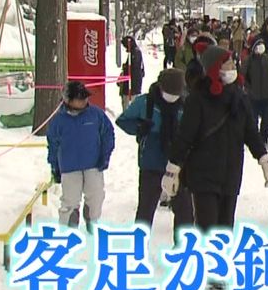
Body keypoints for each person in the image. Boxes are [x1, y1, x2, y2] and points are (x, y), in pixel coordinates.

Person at [164, 46, 268, 273]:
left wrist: (264, 157)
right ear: (215, 69)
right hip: (203, 172)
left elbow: (250, 133)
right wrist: (172, 168)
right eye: (227, 65)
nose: (233, 68)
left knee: (225, 225)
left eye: (233, 64)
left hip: (231, 172)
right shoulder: (198, 99)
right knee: (207, 225)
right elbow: (184, 136)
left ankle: (218, 269)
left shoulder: (239, 96)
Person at [116, 69, 193, 242]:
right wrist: (140, 127)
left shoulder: (186, 104)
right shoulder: (145, 103)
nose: (172, 97)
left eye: (176, 93)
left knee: (185, 210)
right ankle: (138, 246)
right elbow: (123, 121)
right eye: (169, 93)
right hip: (151, 162)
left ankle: (184, 247)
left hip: (179, 164)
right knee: (146, 209)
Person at [47, 81, 116, 231]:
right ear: (68, 100)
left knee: (96, 196)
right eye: (79, 98)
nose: (84, 101)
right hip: (69, 166)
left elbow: (108, 134)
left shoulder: (96, 114)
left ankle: (92, 220)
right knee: (70, 200)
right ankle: (67, 229)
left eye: (85, 97)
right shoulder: (59, 120)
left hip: (93, 164)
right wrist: (54, 166)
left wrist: (105, 156)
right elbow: (52, 144)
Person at [242, 38, 268, 143]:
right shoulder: (248, 60)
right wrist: (248, 87)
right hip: (253, 96)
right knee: (253, 120)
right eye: (258, 45)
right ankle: (254, 139)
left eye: (262, 45)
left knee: (266, 120)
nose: (261, 47)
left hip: (267, 96)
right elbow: (243, 75)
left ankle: (264, 139)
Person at [118, 35, 145, 107]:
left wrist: (125, 69)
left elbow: (133, 69)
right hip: (134, 84)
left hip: (132, 85)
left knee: (129, 103)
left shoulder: (134, 53)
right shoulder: (136, 52)